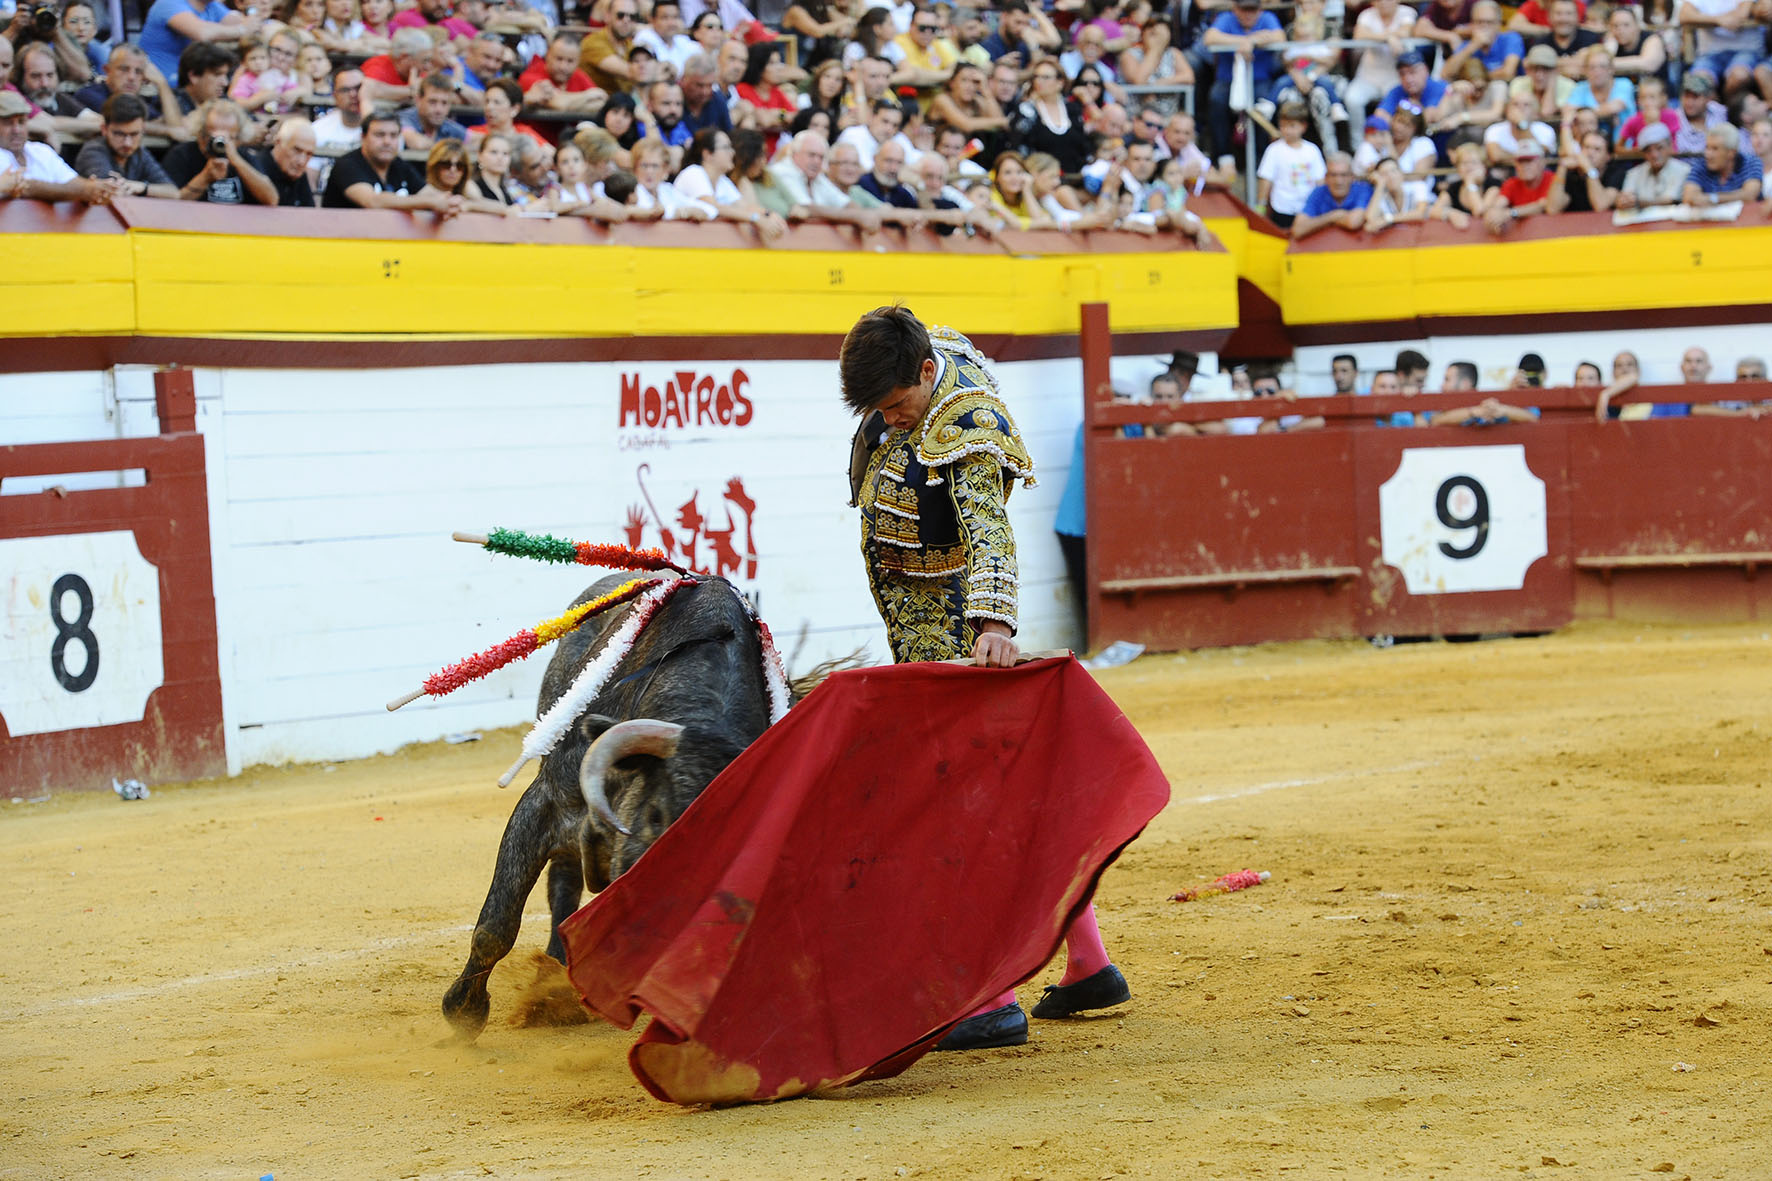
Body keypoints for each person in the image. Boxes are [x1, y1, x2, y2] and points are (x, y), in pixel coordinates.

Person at [840, 305, 1129, 1052]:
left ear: (928, 377)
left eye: (899, 406)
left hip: (953, 627)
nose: (892, 422)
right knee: (1001, 794)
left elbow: (989, 529)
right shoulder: (916, 358)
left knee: (960, 808)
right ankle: (1089, 960)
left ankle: (992, 994)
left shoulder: (968, 425)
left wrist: (993, 623)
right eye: (880, 409)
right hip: (918, 619)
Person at [0, 89, 123, 203]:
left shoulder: (41, 151)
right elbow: (26, 187)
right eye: (7, 123)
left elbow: (73, 182)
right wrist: (85, 190)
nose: (16, 130)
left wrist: (99, 187)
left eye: (21, 122)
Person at [322, 108, 446, 210]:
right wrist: (429, 202)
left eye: (393, 135)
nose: (387, 142)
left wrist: (455, 203)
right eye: (380, 135)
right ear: (363, 137)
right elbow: (371, 201)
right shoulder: (347, 165)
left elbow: (433, 195)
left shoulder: (399, 165)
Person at [161, 97, 276, 203]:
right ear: (201, 134)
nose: (223, 143)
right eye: (215, 137)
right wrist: (205, 177)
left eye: (230, 138)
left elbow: (271, 199)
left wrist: (236, 160)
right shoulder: (181, 155)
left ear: (239, 138)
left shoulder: (243, 156)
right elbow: (172, 204)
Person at [74, 92, 180, 197]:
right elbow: (110, 192)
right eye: (119, 134)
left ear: (143, 130)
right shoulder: (93, 151)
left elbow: (173, 192)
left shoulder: (140, 152)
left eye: (134, 134)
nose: (127, 143)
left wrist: (141, 187)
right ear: (104, 129)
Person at [138, 0, 259, 83]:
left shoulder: (211, 6)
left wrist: (251, 8)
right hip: (155, 88)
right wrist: (243, 29)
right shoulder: (169, 3)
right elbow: (201, 33)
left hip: (189, 85)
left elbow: (250, 27)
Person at [1254, 101, 1324, 230]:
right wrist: (1261, 205)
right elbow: (1266, 179)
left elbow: (1320, 181)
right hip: (1282, 208)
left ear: (1303, 126)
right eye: (1283, 126)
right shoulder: (1274, 150)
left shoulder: (1312, 150)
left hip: (1307, 209)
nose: (1287, 130)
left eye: (1292, 126)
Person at [1290, 151, 1371, 239]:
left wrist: (1318, 222)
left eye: (1343, 175)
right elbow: (1297, 230)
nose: (1338, 181)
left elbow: (1353, 222)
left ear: (1352, 177)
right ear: (1326, 177)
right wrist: (1333, 216)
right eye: (1333, 175)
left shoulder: (1363, 189)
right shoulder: (1318, 192)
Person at [242, 114, 318, 205]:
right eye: (296, 150)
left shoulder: (299, 174)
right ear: (278, 142)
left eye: (309, 154)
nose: (301, 161)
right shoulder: (254, 168)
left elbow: (309, 214)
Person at [1682, 122, 1763, 205]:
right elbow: (1689, 197)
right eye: (1707, 148)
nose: (1708, 155)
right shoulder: (1701, 164)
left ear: (1731, 153)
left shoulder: (1750, 162)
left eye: (1715, 149)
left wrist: (1713, 198)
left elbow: (1750, 195)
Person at [1616, 122, 1690, 210]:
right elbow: (1626, 197)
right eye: (1648, 151)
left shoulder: (1684, 170)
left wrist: (1638, 203)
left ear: (1670, 146)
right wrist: (1623, 202)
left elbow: (1671, 200)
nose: (1654, 155)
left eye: (1659, 148)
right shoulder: (1634, 173)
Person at [401, 70, 467, 149]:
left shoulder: (446, 125)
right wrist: (451, 150)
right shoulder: (404, 118)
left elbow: (476, 140)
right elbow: (417, 143)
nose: (439, 110)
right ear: (418, 100)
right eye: (432, 102)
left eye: (444, 103)